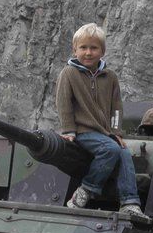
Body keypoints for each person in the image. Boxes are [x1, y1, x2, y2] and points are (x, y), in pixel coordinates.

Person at [55, 23, 145, 216]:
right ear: (75, 50)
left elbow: (116, 108)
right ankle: (86, 189)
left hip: (104, 133)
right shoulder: (68, 73)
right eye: (83, 47)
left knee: (123, 152)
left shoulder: (110, 77)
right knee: (111, 149)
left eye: (94, 48)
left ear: (102, 51)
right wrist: (69, 130)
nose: (88, 52)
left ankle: (129, 202)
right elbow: (63, 103)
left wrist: (116, 132)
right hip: (82, 132)